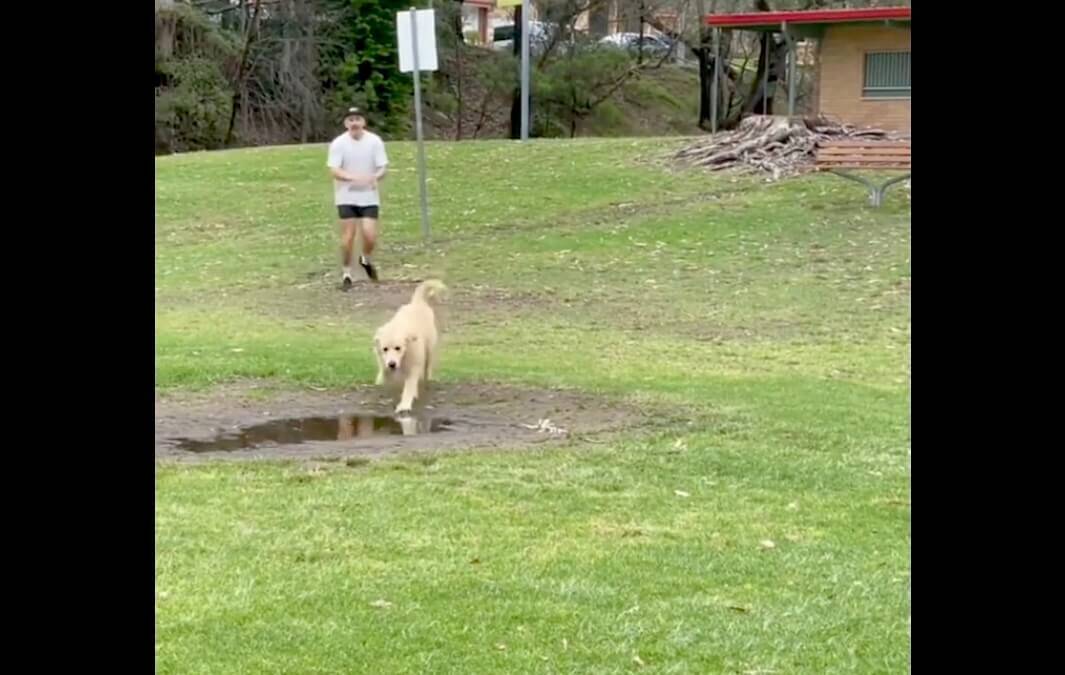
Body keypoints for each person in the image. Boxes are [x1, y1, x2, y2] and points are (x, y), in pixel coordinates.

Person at [326, 107, 389, 289]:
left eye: (358, 119)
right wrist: (352, 177)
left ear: (364, 122)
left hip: (369, 196)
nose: (354, 123)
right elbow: (334, 170)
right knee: (348, 238)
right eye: (351, 120)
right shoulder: (339, 143)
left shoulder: (374, 141)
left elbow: (382, 166)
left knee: (370, 235)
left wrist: (375, 177)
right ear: (346, 124)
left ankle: (365, 259)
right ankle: (347, 273)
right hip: (346, 196)